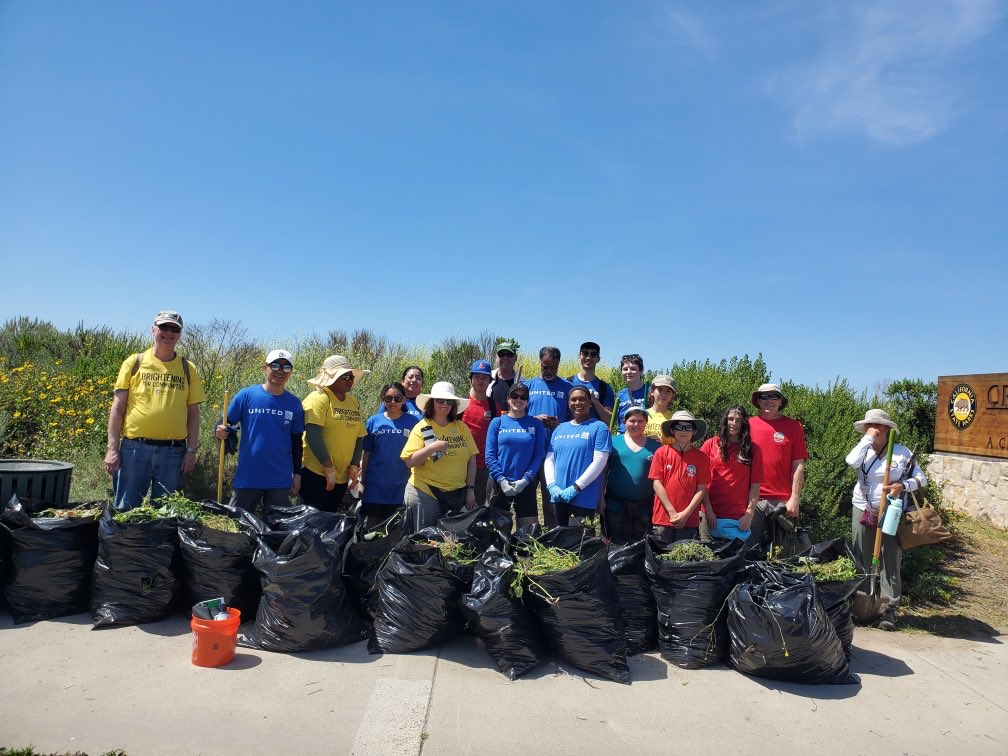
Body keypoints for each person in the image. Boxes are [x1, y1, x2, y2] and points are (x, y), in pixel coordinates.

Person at [105, 310, 206, 510]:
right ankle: (125, 542)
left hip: (173, 452)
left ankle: (157, 543)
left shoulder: (188, 368)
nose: (168, 332)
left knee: (165, 512)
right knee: (126, 510)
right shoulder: (134, 362)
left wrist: (191, 450)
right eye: (164, 327)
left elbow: (193, 414)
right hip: (135, 449)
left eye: (174, 329)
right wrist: (112, 449)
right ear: (153, 330)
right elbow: (117, 408)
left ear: (180, 335)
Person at [846, 408, 926, 631]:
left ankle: (890, 608)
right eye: (870, 425)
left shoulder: (901, 452)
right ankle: (862, 604)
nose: (874, 429)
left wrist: (903, 486)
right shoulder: (862, 450)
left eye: (878, 426)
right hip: (863, 507)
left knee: (890, 555)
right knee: (861, 554)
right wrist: (867, 439)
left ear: (888, 429)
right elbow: (851, 461)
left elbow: (921, 479)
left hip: (891, 509)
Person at [213, 349, 304, 518]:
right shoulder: (246, 396)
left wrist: (297, 475)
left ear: (291, 372)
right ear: (265, 368)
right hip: (248, 476)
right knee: (236, 526)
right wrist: (219, 431)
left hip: (280, 479)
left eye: (286, 367)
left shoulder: (295, 404)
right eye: (275, 365)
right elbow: (224, 423)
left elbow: (297, 443)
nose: (280, 370)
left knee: (277, 531)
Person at [401, 381, 479, 529]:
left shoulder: (461, 427)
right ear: (432, 402)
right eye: (440, 400)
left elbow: (472, 460)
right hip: (426, 492)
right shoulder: (423, 427)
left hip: (457, 494)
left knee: (454, 540)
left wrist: (470, 490)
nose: (445, 404)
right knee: (424, 540)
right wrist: (432, 448)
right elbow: (409, 461)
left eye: (449, 401)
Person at [299, 355, 370, 512]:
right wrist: (328, 467)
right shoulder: (319, 399)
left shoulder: (353, 402)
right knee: (310, 521)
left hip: (341, 475)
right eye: (344, 376)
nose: (349, 379)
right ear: (331, 377)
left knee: (329, 521)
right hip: (316, 473)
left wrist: (354, 464)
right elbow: (313, 434)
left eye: (351, 376)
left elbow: (359, 435)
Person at [544, 386, 612, 526]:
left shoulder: (599, 428)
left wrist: (576, 487)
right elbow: (550, 460)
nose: (577, 403)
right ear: (568, 403)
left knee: (578, 541)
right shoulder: (560, 428)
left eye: (582, 399)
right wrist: (551, 486)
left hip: (584, 496)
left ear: (589, 402)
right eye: (573, 400)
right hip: (559, 495)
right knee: (560, 542)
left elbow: (600, 461)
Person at [485, 382, 546, 528]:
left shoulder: (536, 424)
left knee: (530, 533)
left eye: (523, 397)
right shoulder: (497, 422)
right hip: (499, 484)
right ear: (508, 398)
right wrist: (502, 480)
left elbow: (538, 456)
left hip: (525, 484)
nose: (518, 400)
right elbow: (490, 455)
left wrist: (526, 480)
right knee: (496, 531)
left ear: (527, 400)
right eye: (514, 396)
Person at [360, 381, 419, 528]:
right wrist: (362, 481)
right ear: (383, 399)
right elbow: (367, 452)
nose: (393, 402)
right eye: (388, 398)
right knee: (371, 527)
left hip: (402, 486)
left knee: (396, 528)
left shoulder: (413, 422)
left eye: (398, 398)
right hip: (375, 486)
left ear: (404, 400)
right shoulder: (373, 421)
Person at [700, 406, 763, 541]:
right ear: (724, 421)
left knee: (735, 559)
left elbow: (755, 485)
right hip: (711, 515)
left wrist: (749, 514)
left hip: (738, 518)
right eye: (730, 419)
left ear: (744, 423)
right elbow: (701, 483)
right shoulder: (709, 445)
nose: (734, 423)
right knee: (707, 558)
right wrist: (708, 510)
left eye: (738, 420)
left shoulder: (753, 450)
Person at [526, 346, 572, 528]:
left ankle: (553, 535)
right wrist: (535, 420)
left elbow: (574, 421)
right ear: (540, 363)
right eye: (545, 367)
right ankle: (529, 534)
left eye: (553, 367)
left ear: (559, 364)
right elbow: (517, 416)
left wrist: (558, 425)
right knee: (528, 496)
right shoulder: (528, 386)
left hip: (554, 453)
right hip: (530, 451)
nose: (549, 371)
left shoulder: (567, 388)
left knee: (551, 497)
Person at [649, 410, 711, 543]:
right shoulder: (661, 452)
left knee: (684, 561)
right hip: (663, 518)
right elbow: (656, 483)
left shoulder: (702, 457)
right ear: (672, 430)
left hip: (689, 520)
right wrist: (672, 512)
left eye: (688, 427)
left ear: (694, 432)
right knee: (659, 558)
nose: (684, 431)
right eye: (679, 427)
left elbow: (702, 488)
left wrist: (686, 514)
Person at [748, 382, 808, 519]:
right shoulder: (747, 425)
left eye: (774, 396)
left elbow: (798, 465)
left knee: (780, 541)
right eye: (764, 396)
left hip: (782, 501)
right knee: (749, 541)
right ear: (758, 400)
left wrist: (795, 499)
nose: (769, 400)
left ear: (780, 401)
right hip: (751, 499)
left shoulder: (794, 427)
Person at [604, 405, 661, 544]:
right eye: (632, 420)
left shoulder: (655, 446)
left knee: (639, 544)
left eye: (641, 421)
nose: (636, 424)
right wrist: (600, 497)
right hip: (615, 504)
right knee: (615, 544)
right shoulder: (612, 442)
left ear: (646, 423)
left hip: (644, 506)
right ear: (624, 421)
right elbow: (603, 471)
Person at [460, 359, 494, 506]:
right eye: (477, 376)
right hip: (459, 466)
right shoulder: (460, 404)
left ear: (489, 381)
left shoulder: (494, 406)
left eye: (485, 377)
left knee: (476, 511)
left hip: (482, 468)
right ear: (471, 379)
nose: (481, 380)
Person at [567, 341, 614, 425]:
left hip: (595, 435)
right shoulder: (568, 383)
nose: (588, 357)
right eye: (585, 353)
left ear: (598, 359)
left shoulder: (604, 387)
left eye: (593, 354)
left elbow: (610, 421)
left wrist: (595, 401)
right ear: (579, 356)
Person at [614, 354, 648, 433]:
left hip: (644, 436)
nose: (628, 372)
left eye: (633, 369)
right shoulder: (619, 395)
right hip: (622, 436)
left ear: (641, 370)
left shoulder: (649, 392)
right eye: (625, 369)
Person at [488, 340, 521, 416]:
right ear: (496, 357)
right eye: (501, 354)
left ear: (515, 357)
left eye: (509, 355)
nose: (505, 358)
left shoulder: (523, 383)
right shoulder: (487, 378)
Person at [644, 375, 677, 441]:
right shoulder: (642, 415)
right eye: (660, 390)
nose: (664, 394)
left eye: (668, 391)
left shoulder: (675, 419)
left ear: (672, 395)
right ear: (652, 391)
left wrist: (662, 445)